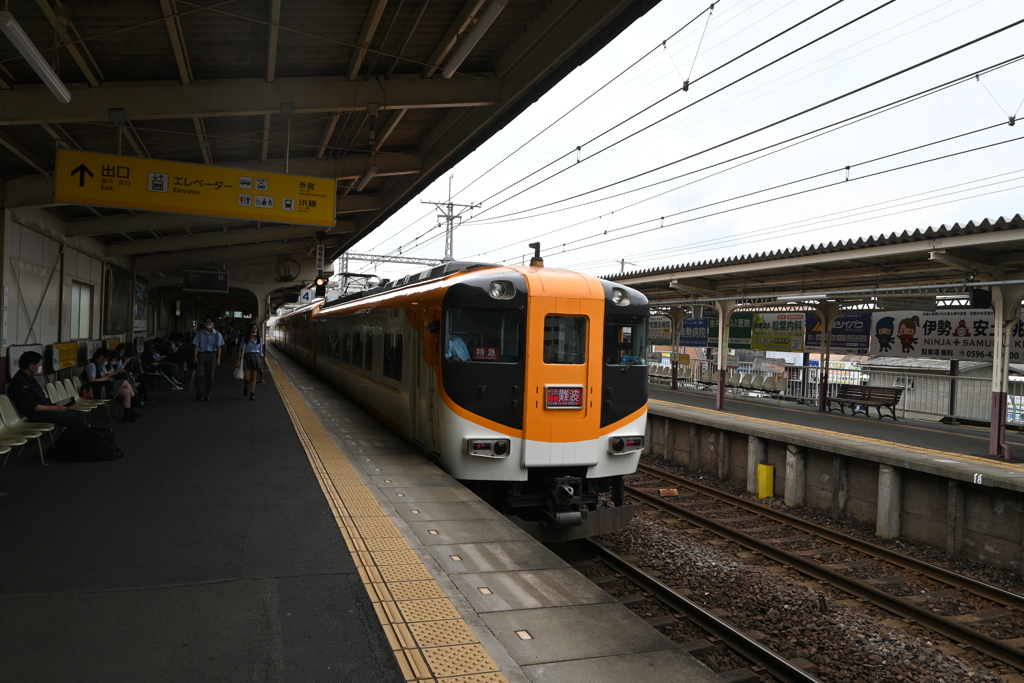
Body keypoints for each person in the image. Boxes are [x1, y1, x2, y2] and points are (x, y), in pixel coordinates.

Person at [7, 351, 90, 435]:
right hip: (38, 415)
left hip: (48, 409)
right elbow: (31, 407)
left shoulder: (30, 379)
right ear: (31, 366)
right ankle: (60, 446)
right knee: (80, 421)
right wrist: (54, 408)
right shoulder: (19, 382)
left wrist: (55, 406)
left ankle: (76, 443)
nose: (40, 367)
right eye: (39, 365)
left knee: (87, 416)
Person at [82, 348, 141, 422]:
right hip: (93, 390)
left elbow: (103, 377)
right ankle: (135, 401)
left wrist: (109, 375)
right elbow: (92, 381)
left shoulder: (101, 365)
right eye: (106, 359)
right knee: (125, 382)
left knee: (126, 392)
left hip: (102, 387)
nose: (106, 361)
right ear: (101, 357)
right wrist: (106, 377)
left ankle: (129, 415)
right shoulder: (92, 365)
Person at [192, 316, 225, 401]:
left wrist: (218, 358)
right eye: (206, 322)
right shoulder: (200, 333)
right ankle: (199, 392)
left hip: (212, 355)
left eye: (209, 322)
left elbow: (219, 347)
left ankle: (207, 395)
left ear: (213, 323)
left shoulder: (217, 334)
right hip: (202, 355)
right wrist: (195, 356)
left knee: (210, 376)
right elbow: (196, 345)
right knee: (198, 375)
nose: (208, 323)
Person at [236, 323, 264, 400]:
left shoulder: (260, 339)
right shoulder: (245, 338)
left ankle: (252, 393)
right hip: (247, 357)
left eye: (255, 328)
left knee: (254, 377)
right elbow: (240, 349)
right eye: (252, 328)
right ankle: (245, 386)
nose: (254, 329)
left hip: (256, 358)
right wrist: (238, 359)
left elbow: (261, 352)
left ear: (257, 330)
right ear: (249, 329)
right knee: (247, 378)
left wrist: (261, 363)